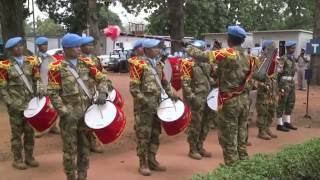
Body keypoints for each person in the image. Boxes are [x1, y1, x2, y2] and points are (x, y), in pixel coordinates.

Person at [185, 25, 259, 165]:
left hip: (229, 102)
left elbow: (202, 56)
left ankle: (232, 169)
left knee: (228, 137)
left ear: (229, 39)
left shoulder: (227, 53)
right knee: (241, 135)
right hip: (244, 100)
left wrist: (187, 47)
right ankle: (244, 165)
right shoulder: (250, 57)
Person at [48, 33, 113, 180]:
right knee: (69, 150)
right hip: (69, 118)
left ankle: (83, 176)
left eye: (79, 46)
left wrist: (103, 92)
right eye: (75, 46)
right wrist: (65, 113)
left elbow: (102, 78)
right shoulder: (56, 67)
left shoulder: (87, 63)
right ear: (66, 48)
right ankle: (71, 177)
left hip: (87, 115)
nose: (79, 49)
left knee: (84, 149)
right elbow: (52, 93)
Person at [129, 39, 178, 176]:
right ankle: (143, 163)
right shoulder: (138, 64)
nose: (158, 50)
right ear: (146, 50)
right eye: (155, 48)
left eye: (158, 48)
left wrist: (171, 94)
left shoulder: (159, 64)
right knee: (144, 135)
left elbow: (164, 82)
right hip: (144, 107)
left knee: (156, 133)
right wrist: (144, 101)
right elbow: (134, 88)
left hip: (159, 104)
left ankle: (152, 159)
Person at [0, 37, 40, 170]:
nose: (19, 48)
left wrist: (39, 91)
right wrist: (10, 103)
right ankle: (17, 159)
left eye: (20, 45)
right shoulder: (4, 66)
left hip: (30, 105)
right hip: (15, 106)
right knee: (17, 134)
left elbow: (37, 80)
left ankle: (29, 157)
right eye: (15, 47)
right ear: (11, 50)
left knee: (29, 132)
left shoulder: (31, 62)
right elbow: (2, 88)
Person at [181, 40, 216, 160]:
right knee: (195, 124)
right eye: (200, 50)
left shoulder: (207, 64)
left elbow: (212, 78)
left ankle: (200, 146)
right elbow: (185, 84)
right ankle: (193, 149)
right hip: (196, 98)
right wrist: (192, 98)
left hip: (208, 97)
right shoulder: (187, 63)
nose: (202, 52)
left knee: (206, 123)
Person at [80, 36, 104, 154]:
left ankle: (92, 143)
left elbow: (101, 74)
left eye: (91, 45)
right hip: (81, 94)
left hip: (93, 92)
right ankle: (83, 145)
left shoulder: (95, 59)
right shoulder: (78, 60)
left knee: (92, 117)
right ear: (81, 47)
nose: (90, 47)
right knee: (82, 120)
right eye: (87, 45)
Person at [35, 36, 60, 137]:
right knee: (39, 107)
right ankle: (40, 128)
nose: (45, 47)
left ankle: (53, 126)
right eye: (42, 45)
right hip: (39, 85)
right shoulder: (34, 59)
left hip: (51, 85)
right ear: (38, 46)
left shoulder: (52, 58)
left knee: (54, 106)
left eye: (46, 44)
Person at [255, 40, 278, 140]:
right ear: (265, 49)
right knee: (263, 110)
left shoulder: (273, 61)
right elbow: (255, 75)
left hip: (272, 89)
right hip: (263, 89)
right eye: (270, 49)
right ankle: (261, 131)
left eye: (273, 49)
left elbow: (275, 75)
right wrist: (262, 84)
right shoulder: (259, 60)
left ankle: (267, 127)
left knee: (271, 110)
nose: (272, 51)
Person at [276, 41, 298, 132]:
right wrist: (278, 86)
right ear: (287, 48)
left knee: (290, 102)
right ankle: (279, 123)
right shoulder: (283, 59)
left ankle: (287, 122)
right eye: (292, 48)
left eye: (294, 48)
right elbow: (278, 73)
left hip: (291, 83)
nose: (293, 49)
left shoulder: (293, 58)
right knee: (282, 102)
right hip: (284, 83)